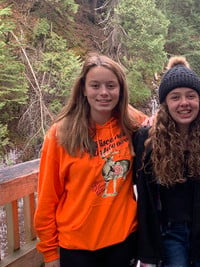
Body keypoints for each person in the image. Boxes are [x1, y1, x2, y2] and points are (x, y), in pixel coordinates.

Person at [34, 52, 148, 267]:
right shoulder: (61, 134)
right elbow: (48, 197)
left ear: (121, 90)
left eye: (111, 86)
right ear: (84, 90)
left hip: (123, 241)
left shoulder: (130, 122)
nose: (103, 93)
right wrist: (50, 253)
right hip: (76, 246)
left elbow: (158, 123)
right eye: (95, 86)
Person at [133, 56, 200, 267]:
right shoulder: (146, 139)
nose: (184, 103)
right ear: (165, 104)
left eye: (190, 96)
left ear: (199, 101)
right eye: (175, 97)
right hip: (168, 232)